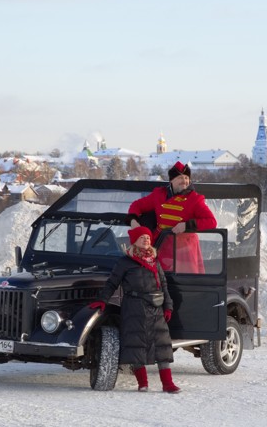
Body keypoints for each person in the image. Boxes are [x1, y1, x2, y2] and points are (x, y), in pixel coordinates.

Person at [88, 226, 180, 393]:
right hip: (134, 308)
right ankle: (142, 383)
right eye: (142, 237)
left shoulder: (155, 260)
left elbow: (164, 286)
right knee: (135, 345)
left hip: (156, 308)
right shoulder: (125, 262)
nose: (146, 239)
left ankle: (168, 384)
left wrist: (168, 306)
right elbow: (112, 283)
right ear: (135, 241)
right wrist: (102, 300)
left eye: (148, 237)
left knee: (162, 345)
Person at [126, 161, 217, 273]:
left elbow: (211, 221)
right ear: (171, 180)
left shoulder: (195, 199)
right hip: (161, 245)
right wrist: (133, 221)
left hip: (184, 250)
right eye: (180, 178)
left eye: (186, 178)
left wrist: (186, 225)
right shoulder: (159, 194)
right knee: (160, 280)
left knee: (185, 282)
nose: (184, 181)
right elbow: (137, 205)